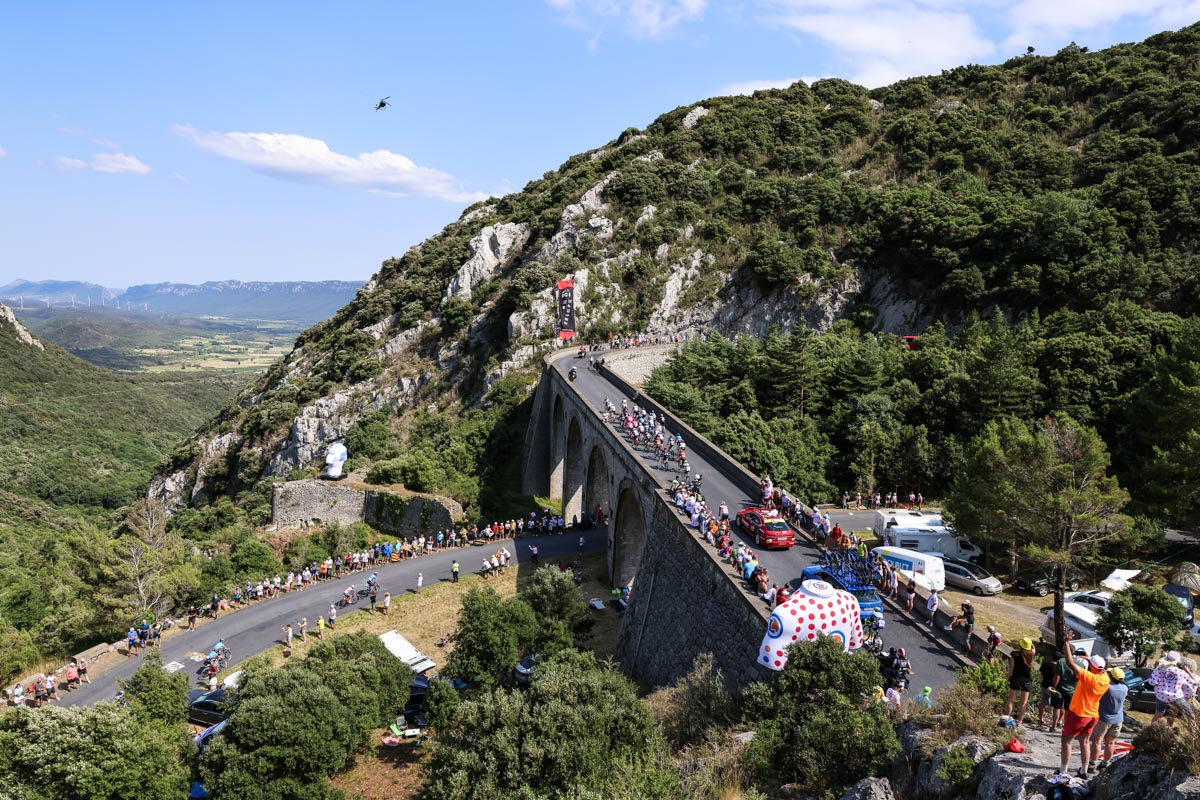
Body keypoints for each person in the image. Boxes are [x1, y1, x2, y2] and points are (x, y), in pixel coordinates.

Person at [1059, 653, 1110, 780]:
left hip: (1079, 714)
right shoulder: (1105, 679)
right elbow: (1101, 669)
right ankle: (1084, 771)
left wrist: (1066, 643)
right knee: (1085, 742)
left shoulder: (1089, 678)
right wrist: (1090, 660)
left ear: (1092, 667)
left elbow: (1070, 663)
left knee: (1066, 741)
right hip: (1093, 714)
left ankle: (1063, 772)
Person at [1090, 667, 1128, 773]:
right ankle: (1105, 763)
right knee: (1110, 743)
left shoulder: (1107, 687)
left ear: (1111, 676)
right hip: (1118, 719)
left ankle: (1092, 764)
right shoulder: (1124, 688)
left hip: (1104, 718)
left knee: (1097, 742)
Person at [1149, 650, 1198, 724]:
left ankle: (1151, 732)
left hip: (1160, 695)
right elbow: (1194, 683)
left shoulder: (1158, 669)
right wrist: (1190, 674)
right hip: (1175, 697)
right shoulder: (1181, 672)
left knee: (1158, 715)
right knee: (1191, 717)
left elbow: (1152, 682)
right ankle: (1172, 730)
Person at [1005, 638, 1037, 728]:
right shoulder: (1031, 654)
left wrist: (1009, 676)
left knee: (1011, 700)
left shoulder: (1014, 654)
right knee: (1024, 702)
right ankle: (1020, 721)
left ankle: (1006, 717)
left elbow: (1011, 667)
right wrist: (1030, 643)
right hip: (1026, 680)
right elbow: (1034, 648)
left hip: (1015, 678)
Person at [1037, 652, 1062, 731]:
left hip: (1044, 685)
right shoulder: (1058, 667)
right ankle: (1059, 721)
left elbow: (1041, 673)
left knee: (1043, 702)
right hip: (1054, 688)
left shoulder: (1045, 663)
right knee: (1058, 706)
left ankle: (1040, 718)